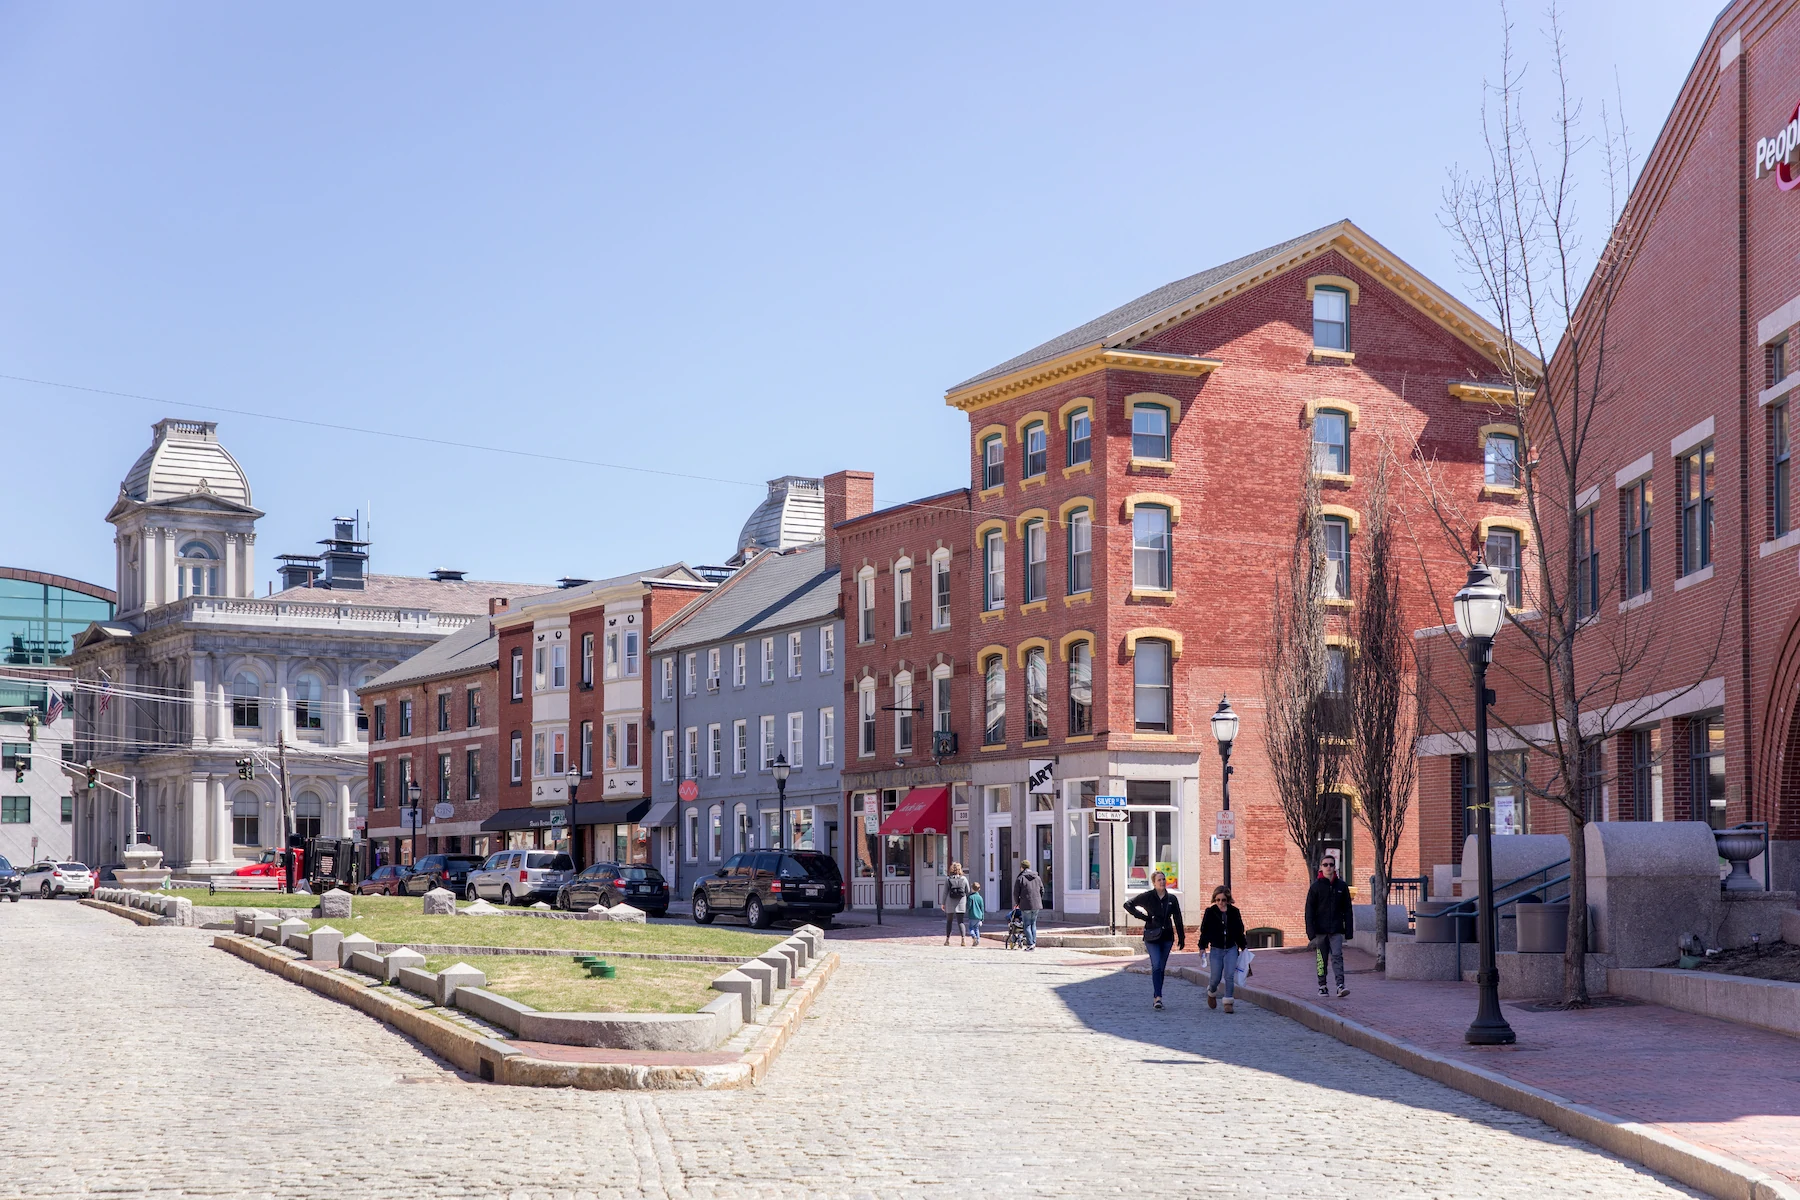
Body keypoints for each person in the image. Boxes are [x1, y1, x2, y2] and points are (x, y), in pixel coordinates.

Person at [1122, 870, 1185, 1010]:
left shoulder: (1172, 899)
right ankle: (1158, 997)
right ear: (1154, 883)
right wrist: (1144, 917)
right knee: (1156, 965)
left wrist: (1181, 937)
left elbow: (1178, 918)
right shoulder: (1148, 897)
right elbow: (1128, 905)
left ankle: (1158, 994)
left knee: (1161, 967)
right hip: (1151, 935)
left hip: (1167, 936)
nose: (1162, 882)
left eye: (1164, 879)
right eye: (1159, 880)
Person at [1305, 857, 1354, 998]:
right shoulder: (1315, 887)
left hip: (1336, 929)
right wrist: (1311, 932)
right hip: (1320, 931)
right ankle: (1322, 985)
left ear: (1335, 867)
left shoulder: (1341, 886)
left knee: (1337, 956)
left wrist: (1348, 931)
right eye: (1325, 865)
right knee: (1322, 958)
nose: (1328, 867)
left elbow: (1347, 910)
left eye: (1331, 865)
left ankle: (1340, 985)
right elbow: (1309, 911)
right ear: (1321, 867)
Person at [1198, 884, 1248, 1013]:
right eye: (1218, 900)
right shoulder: (1210, 912)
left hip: (1231, 948)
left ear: (1228, 900)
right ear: (1214, 900)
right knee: (1215, 978)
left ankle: (1228, 1002)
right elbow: (1205, 931)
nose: (1220, 902)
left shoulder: (1234, 912)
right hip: (1216, 949)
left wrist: (1244, 946)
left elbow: (1239, 931)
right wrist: (1202, 947)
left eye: (1223, 900)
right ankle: (1211, 992)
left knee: (1229, 976)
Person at [1014, 860, 1044, 950]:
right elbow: (1042, 890)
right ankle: (1033, 942)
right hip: (1036, 904)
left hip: (1025, 904)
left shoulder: (1020, 878)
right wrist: (1039, 899)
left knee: (1027, 924)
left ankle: (1030, 944)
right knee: (1033, 924)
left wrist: (1017, 902)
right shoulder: (1037, 877)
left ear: (1022, 867)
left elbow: (1016, 893)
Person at [943, 862, 971, 946]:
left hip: (950, 901)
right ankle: (963, 939)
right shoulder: (964, 879)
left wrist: (943, 903)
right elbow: (968, 891)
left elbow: (945, 892)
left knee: (949, 921)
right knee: (960, 922)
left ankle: (947, 940)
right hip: (961, 902)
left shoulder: (948, 879)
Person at [967, 881, 986, 945]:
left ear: (972, 888)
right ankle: (977, 940)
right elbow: (982, 908)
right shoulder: (980, 898)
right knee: (977, 929)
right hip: (979, 916)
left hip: (972, 915)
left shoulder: (970, 897)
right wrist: (982, 919)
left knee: (970, 928)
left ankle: (973, 936)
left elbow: (968, 906)